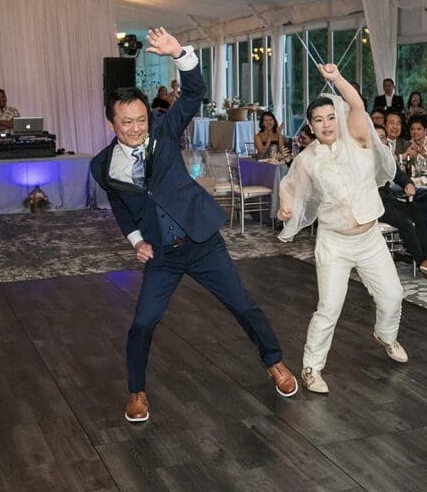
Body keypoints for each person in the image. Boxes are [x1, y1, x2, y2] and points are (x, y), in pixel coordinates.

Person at [90, 28, 298, 423]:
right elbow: (120, 205)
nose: (135, 128)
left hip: (202, 242)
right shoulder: (102, 165)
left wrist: (180, 54)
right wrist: (136, 240)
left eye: (139, 119)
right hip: (162, 255)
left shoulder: (164, 133)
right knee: (143, 323)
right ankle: (136, 391)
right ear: (111, 122)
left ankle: (275, 363)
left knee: (243, 305)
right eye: (126, 122)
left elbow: (193, 94)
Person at [277, 63, 407, 394]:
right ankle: (311, 368)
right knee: (329, 307)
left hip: (370, 239)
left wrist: (336, 80)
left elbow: (359, 104)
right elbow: (289, 185)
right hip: (334, 243)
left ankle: (386, 335)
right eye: (318, 120)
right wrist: (286, 206)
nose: (326, 124)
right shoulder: (308, 158)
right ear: (310, 126)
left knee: (393, 296)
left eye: (331, 117)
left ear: (339, 116)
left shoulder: (360, 138)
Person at [374, 124, 427, 279]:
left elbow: (398, 175)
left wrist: (408, 184)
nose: (380, 141)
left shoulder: (386, 156)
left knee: (420, 211)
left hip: (388, 200)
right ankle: (422, 262)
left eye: (382, 138)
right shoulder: (363, 157)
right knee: (404, 221)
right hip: (373, 204)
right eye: (376, 138)